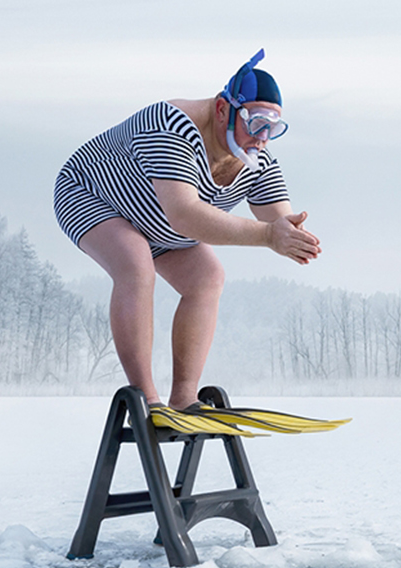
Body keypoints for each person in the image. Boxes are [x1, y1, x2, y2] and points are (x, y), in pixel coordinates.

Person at [53, 49, 320, 410]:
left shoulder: (257, 159)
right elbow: (185, 215)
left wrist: (291, 234)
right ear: (224, 108)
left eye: (273, 128)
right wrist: (269, 237)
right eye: (256, 122)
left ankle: (184, 399)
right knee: (135, 265)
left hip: (157, 221)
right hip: (91, 194)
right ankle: (146, 400)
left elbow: (279, 222)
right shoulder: (172, 125)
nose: (263, 137)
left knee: (208, 277)